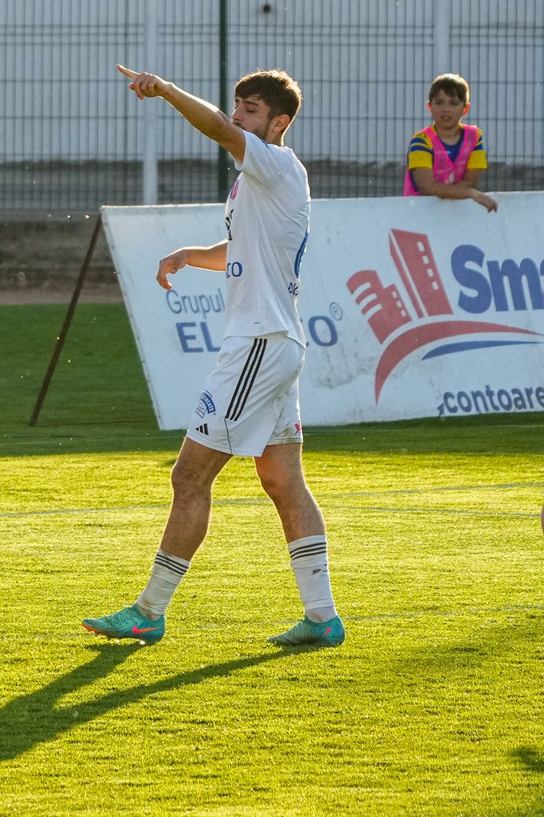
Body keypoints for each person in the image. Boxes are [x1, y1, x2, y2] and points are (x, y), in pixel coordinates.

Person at [85, 69, 344, 650]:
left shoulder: (273, 161)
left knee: (190, 475)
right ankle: (323, 616)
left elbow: (217, 130)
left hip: (257, 344)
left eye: (251, 110)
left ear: (278, 123)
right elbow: (249, 247)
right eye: (238, 107)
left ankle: (150, 610)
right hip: (277, 342)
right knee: (282, 479)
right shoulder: (264, 177)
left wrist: (167, 90)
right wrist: (190, 255)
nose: (239, 118)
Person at [406, 74, 495, 211]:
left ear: (465, 109)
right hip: (418, 213)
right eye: (439, 102)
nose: (445, 109)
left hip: (454, 212)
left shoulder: (474, 137)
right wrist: (470, 193)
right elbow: (428, 188)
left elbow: (471, 181)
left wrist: (446, 192)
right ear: (430, 107)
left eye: (453, 103)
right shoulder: (421, 140)